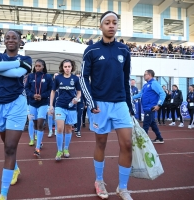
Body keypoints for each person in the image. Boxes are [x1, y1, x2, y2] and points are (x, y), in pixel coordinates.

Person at [80, 11, 135, 200]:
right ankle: (99, 180)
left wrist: (130, 106)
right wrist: (90, 101)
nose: (111, 25)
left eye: (114, 22)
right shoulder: (91, 51)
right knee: (101, 143)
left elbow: (126, 79)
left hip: (120, 103)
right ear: (101, 27)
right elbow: (83, 78)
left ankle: (123, 187)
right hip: (100, 105)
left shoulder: (124, 50)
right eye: (107, 23)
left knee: (127, 144)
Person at [0, 30, 32, 200]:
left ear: (20, 41)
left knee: (9, 148)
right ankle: (15, 167)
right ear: (4, 41)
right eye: (8, 38)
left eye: (14, 37)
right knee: (5, 143)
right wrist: (14, 63)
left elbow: (16, 74)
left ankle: (3, 194)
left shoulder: (27, 59)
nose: (11, 40)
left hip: (17, 104)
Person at [49, 59, 81, 161]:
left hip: (71, 107)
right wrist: (51, 105)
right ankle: (59, 150)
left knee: (68, 129)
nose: (67, 68)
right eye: (65, 67)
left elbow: (79, 92)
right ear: (62, 68)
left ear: (72, 67)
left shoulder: (75, 78)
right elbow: (53, 92)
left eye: (69, 66)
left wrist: (77, 98)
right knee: (59, 128)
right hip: (60, 106)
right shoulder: (58, 78)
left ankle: (66, 149)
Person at [25, 59, 53, 158]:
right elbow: (26, 89)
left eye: (39, 66)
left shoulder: (48, 77)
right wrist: (33, 95)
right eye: (36, 66)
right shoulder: (30, 76)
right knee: (35, 124)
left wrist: (42, 96)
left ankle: (37, 148)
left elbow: (51, 90)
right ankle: (39, 142)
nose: (37, 67)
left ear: (43, 66)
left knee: (40, 123)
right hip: (32, 103)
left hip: (43, 103)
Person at [133, 70, 165, 144]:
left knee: (146, 124)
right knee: (152, 123)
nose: (144, 76)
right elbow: (140, 94)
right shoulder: (145, 85)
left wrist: (159, 104)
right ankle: (159, 138)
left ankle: (144, 142)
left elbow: (162, 94)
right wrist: (130, 98)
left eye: (145, 74)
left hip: (151, 108)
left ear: (150, 75)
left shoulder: (154, 83)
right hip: (146, 108)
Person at [47, 73, 59, 137]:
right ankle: (50, 131)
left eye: (57, 75)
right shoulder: (51, 84)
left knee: (56, 117)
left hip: (58, 103)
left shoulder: (60, 83)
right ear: (53, 77)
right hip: (50, 103)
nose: (56, 76)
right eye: (55, 75)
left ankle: (56, 130)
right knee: (50, 117)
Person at [74, 71, 85, 138]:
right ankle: (75, 126)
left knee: (79, 116)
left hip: (80, 103)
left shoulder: (82, 85)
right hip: (73, 103)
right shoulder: (72, 84)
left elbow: (85, 95)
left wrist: (85, 103)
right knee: (73, 116)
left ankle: (78, 130)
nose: (78, 78)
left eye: (79, 77)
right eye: (77, 77)